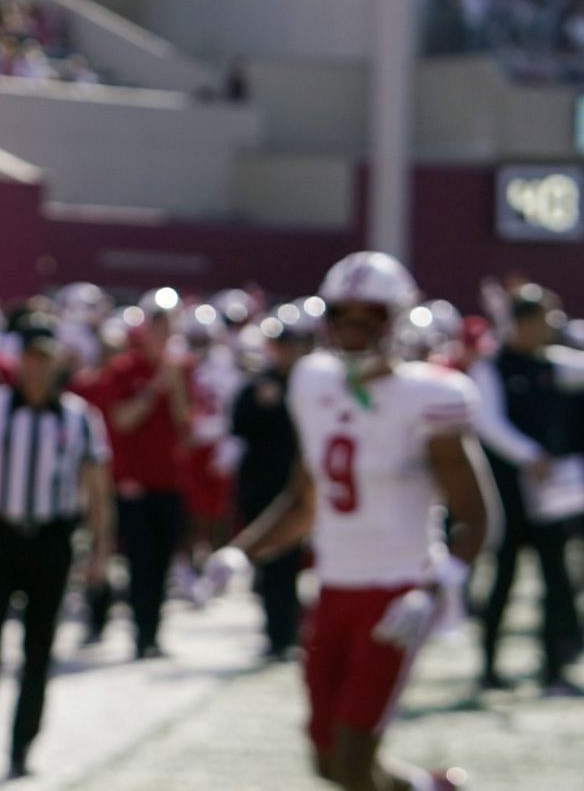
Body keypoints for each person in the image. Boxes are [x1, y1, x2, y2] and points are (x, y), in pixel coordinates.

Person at [203, 252, 494, 791]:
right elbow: (303, 498)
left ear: (397, 319)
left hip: (397, 590)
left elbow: (475, 514)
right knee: (327, 760)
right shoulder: (312, 381)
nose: (353, 326)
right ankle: (430, 788)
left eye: (370, 314)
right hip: (333, 587)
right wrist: (240, 551)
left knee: (354, 756)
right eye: (343, 313)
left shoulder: (431, 395)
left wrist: (435, 588)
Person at [0, 317, 111, 788]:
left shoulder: (81, 418)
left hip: (51, 541)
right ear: (19, 361)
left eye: (46, 359)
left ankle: (21, 749)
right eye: (31, 358)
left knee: (39, 650)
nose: (38, 369)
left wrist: (100, 551)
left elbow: (98, 492)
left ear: (58, 363)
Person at [467, 287, 584, 694]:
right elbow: (488, 423)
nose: (550, 328)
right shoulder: (491, 366)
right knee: (503, 579)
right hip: (507, 494)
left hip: (549, 496)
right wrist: (530, 455)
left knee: (556, 579)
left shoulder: (554, 364)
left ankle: (554, 669)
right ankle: (489, 667)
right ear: (521, 323)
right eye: (543, 320)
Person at [89, 290, 192, 658]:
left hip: (169, 481)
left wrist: (174, 385)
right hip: (133, 483)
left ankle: (153, 632)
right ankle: (139, 634)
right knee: (138, 561)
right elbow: (121, 419)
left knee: (162, 562)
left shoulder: (179, 368)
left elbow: (185, 424)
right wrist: (153, 390)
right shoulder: (124, 369)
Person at [223, 305, 314, 660]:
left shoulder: (312, 385)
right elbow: (238, 427)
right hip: (263, 487)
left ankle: (290, 630)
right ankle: (278, 633)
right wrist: (262, 405)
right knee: (271, 564)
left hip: (302, 489)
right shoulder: (257, 385)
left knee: (294, 565)